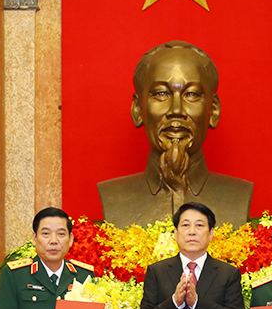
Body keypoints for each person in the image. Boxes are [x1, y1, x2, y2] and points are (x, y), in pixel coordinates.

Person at [98, 40, 253, 227]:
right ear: (138, 109)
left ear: (213, 110)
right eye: (161, 94)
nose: (176, 110)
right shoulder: (114, 196)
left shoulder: (238, 195)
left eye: (192, 94)